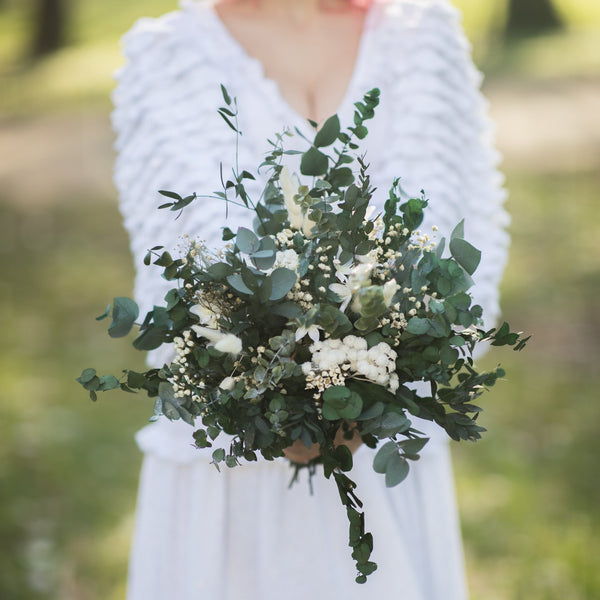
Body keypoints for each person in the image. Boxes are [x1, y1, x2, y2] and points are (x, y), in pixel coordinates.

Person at [112, 0, 509, 598]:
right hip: (229, 474)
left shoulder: (424, 37)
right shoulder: (166, 55)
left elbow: (470, 252)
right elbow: (168, 289)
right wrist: (265, 406)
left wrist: (375, 393)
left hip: (386, 467)